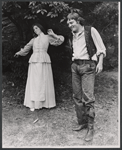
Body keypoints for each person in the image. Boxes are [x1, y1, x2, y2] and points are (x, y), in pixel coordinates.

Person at [67, 12, 106, 141]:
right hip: (75, 67)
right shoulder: (72, 35)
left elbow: (101, 48)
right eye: (68, 23)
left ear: (78, 21)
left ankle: (91, 127)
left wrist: (100, 63)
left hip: (88, 66)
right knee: (77, 97)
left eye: (71, 22)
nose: (69, 25)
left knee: (88, 98)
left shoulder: (90, 30)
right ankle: (82, 122)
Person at [14, 23, 64, 111]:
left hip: (44, 60)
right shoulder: (33, 40)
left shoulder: (47, 37)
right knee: (35, 81)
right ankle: (33, 103)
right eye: (34, 29)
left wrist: (53, 35)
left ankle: (45, 103)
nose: (35, 30)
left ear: (40, 28)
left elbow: (60, 40)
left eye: (36, 28)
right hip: (34, 62)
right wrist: (19, 53)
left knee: (43, 80)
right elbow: (26, 48)